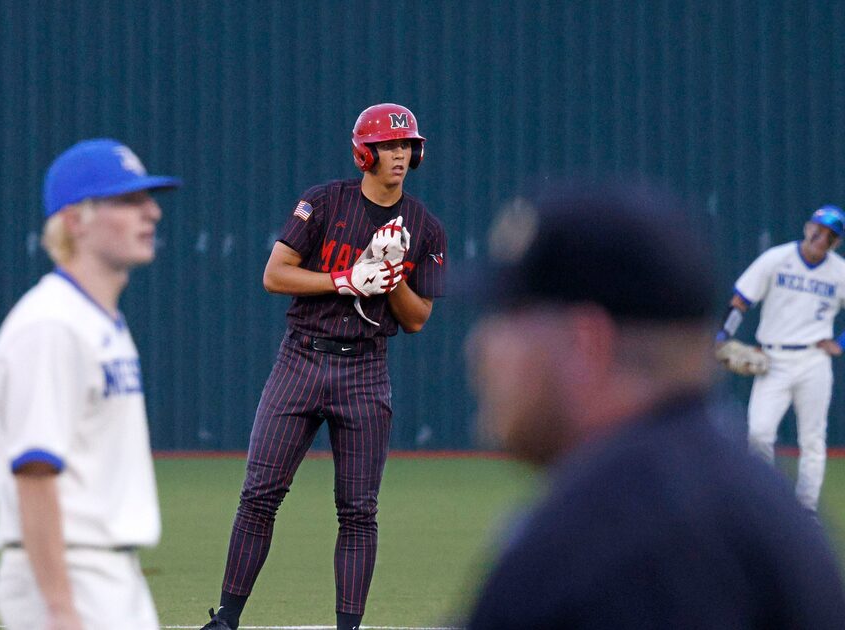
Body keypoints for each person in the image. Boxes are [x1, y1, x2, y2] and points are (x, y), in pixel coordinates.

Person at [464, 181, 845, 628]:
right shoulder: (750, 498)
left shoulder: (602, 548)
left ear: (586, 344)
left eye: (507, 318)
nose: (479, 347)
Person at [200, 103, 448, 630]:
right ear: (365, 152)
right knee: (260, 494)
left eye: (406, 145)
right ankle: (226, 619)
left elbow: (419, 318)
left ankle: (348, 628)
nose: (399, 154)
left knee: (358, 510)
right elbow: (275, 274)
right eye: (388, 145)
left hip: (365, 368)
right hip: (302, 358)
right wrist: (347, 279)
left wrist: (392, 274)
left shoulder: (425, 227)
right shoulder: (325, 201)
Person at [0, 139, 180, 629]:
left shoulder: (98, 321)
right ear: (76, 220)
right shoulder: (51, 325)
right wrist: (61, 610)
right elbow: (35, 473)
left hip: (109, 572)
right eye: (129, 201)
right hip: (68, 573)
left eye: (149, 199)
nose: (151, 212)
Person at [715, 205, 845, 514]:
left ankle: (806, 510)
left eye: (829, 235)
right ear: (807, 227)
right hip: (772, 358)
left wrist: (840, 343)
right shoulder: (777, 259)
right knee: (759, 432)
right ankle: (763, 503)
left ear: (835, 242)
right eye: (818, 228)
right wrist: (722, 336)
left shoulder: (839, 271)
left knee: (812, 440)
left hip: (814, 360)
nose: (821, 237)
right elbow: (741, 300)